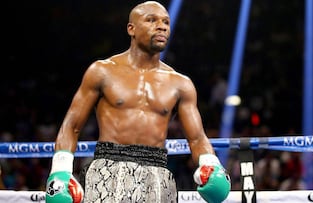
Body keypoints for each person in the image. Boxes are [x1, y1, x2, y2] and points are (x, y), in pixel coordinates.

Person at [45, 1, 230, 203]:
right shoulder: (102, 72)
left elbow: (197, 138)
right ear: (131, 29)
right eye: (151, 20)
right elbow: (71, 125)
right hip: (108, 169)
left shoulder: (180, 84)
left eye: (166, 22)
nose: (162, 26)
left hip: (158, 174)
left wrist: (210, 164)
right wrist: (61, 170)